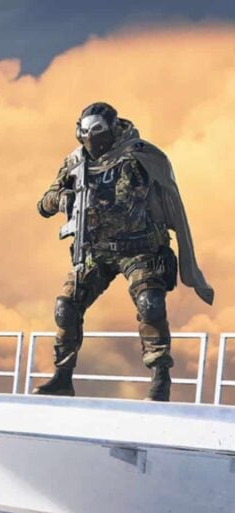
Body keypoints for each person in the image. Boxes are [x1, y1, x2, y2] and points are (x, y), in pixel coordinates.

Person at [33, 102, 213, 402]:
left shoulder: (140, 155)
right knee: (66, 306)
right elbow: (43, 204)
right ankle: (62, 377)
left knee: (150, 303)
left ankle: (160, 379)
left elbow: (168, 194)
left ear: (114, 128)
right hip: (95, 250)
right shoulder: (76, 162)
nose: (92, 138)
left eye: (98, 131)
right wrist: (62, 198)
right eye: (85, 132)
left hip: (140, 247)